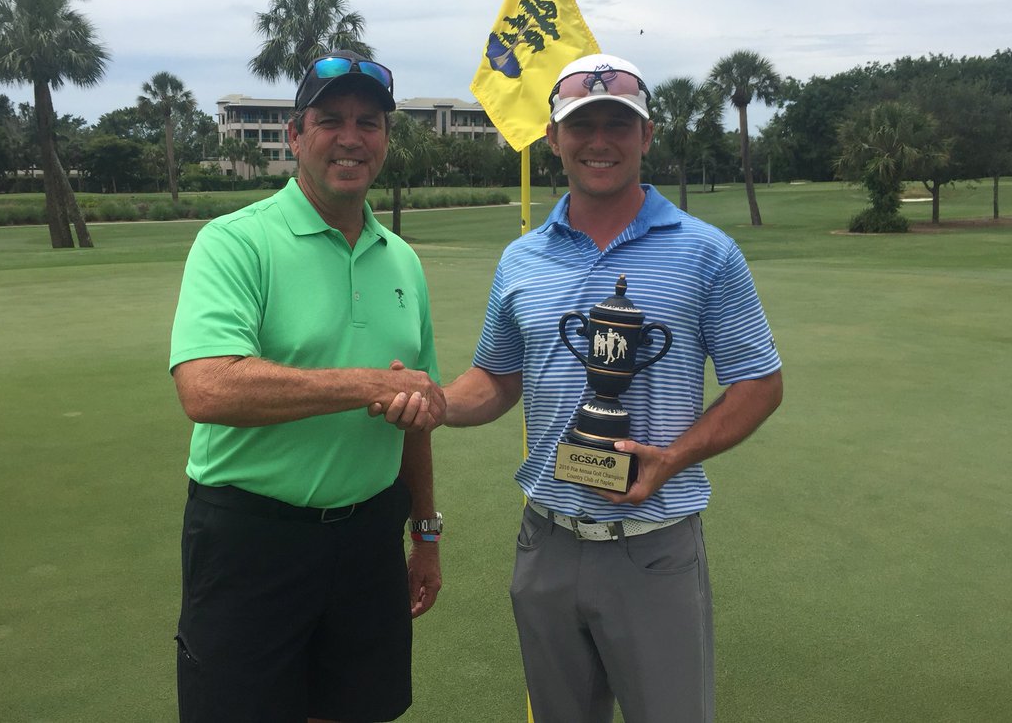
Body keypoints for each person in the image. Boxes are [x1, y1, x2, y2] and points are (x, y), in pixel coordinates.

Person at [441, 53, 783, 723]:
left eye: (619, 124)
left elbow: (759, 383)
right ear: (553, 139)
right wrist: (437, 404)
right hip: (545, 542)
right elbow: (495, 378)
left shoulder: (704, 251)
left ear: (646, 135)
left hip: (652, 546)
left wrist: (671, 459)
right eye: (582, 124)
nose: (600, 140)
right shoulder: (522, 259)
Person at [169, 50, 445, 723]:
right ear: (296, 135)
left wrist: (426, 530)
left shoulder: (401, 257)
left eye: (369, 122)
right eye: (330, 120)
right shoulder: (236, 242)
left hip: (368, 540)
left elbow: (409, 410)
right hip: (251, 537)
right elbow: (208, 389)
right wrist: (363, 385)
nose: (351, 137)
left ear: (385, 139)